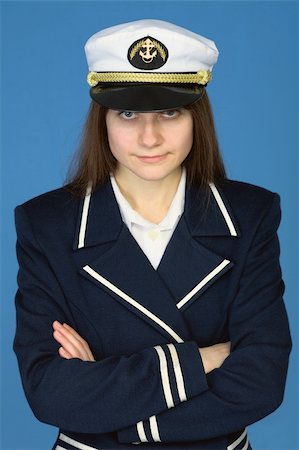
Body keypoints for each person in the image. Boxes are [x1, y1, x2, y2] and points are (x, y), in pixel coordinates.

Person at [13, 19, 292, 450]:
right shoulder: (46, 225)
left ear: (196, 117)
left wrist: (114, 409)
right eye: (127, 113)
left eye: (169, 112)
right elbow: (51, 393)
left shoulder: (250, 215)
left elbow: (262, 379)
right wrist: (205, 359)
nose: (149, 137)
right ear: (101, 120)